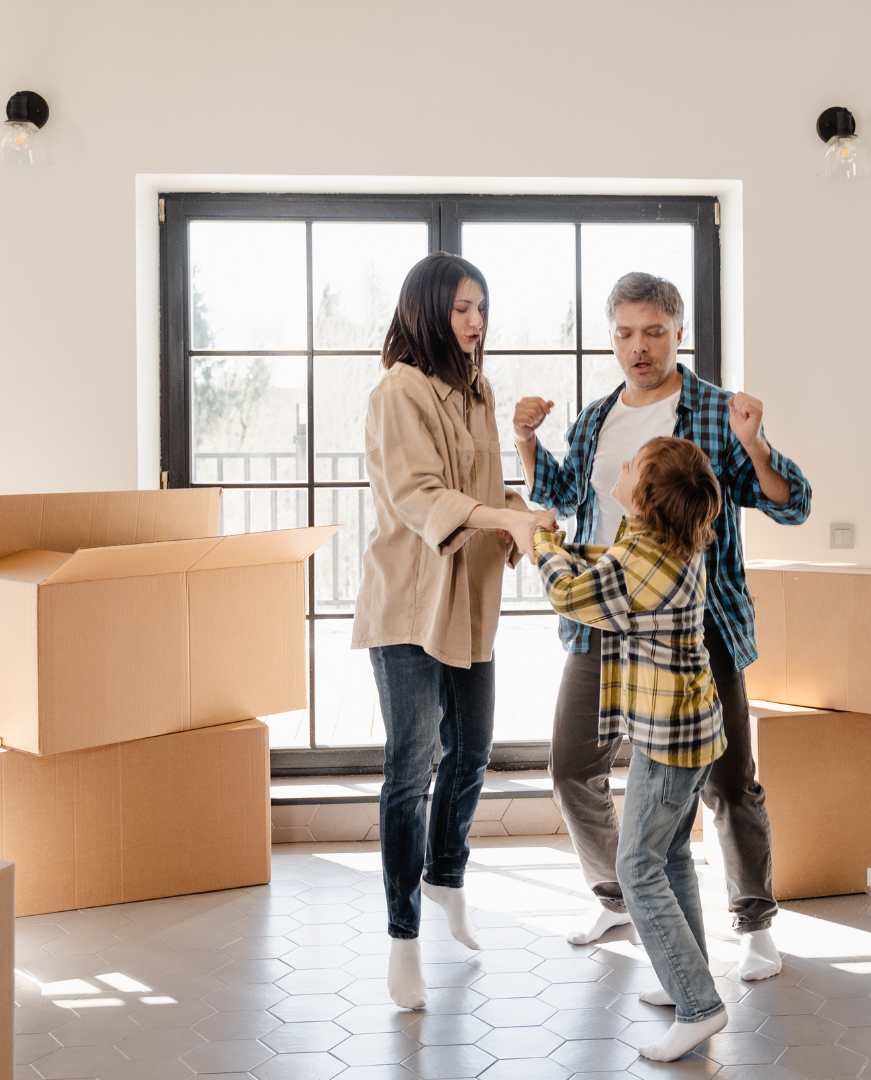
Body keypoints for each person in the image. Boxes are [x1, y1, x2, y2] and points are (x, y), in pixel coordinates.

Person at [514, 272, 812, 981]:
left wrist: (756, 445)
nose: (638, 347)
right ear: (611, 337)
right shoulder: (594, 418)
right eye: (624, 333)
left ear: (679, 332)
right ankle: (620, 894)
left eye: (653, 331)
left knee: (730, 779)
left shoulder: (716, 412)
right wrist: (525, 438)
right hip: (609, 622)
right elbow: (560, 494)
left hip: (697, 627)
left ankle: (753, 919)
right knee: (571, 766)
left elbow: (791, 503)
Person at [354, 252, 555, 1010]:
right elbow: (418, 495)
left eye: (483, 309)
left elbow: (475, 491)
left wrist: (521, 509)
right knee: (411, 768)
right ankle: (402, 937)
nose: (477, 322)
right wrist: (502, 516)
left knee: (471, 751)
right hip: (410, 605)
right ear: (428, 309)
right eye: (464, 308)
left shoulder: (478, 391)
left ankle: (445, 879)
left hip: (468, 602)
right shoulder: (397, 391)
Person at [531, 436, 730, 1060]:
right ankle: (685, 985)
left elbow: (573, 595)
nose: (618, 469)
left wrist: (539, 546)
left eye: (630, 468)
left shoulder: (644, 564)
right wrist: (562, 544)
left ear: (644, 499)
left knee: (635, 868)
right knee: (669, 856)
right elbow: (608, 560)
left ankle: (700, 1006)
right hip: (685, 730)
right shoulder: (663, 542)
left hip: (670, 741)